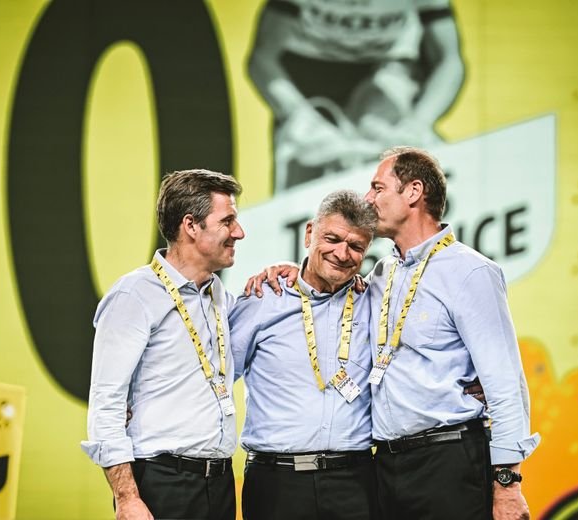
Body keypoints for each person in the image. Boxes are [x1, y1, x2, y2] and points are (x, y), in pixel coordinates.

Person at [247, 147, 539, 520]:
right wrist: (295, 269)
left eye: (377, 187)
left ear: (414, 191)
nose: (368, 199)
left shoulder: (471, 273)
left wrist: (508, 485)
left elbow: (506, 388)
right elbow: (328, 283)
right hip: (385, 469)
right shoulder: (383, 274)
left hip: (448, 461)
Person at [81, 169, 245, 520]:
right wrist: (126, 497)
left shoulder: (220, 296)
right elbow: (106, 403)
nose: (239, 232)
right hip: (162, 483)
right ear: (191, 225)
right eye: (228, 220)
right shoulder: (133, 295)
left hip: (219, 483)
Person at [230, 190, 379, 519]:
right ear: (309, 233)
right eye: (332, 238)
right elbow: (216, 377)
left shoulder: (373, 303)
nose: (342, 253)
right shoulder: (262, 299)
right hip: (277, 483)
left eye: (356, 246)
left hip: (355, 482)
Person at [248, 0, 465, 191]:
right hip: (306, 75)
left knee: (383, 140)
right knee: (305, 185)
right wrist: (300, 117)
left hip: (384, 70)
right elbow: (262, 57)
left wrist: (418, 124)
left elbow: (449, 60)